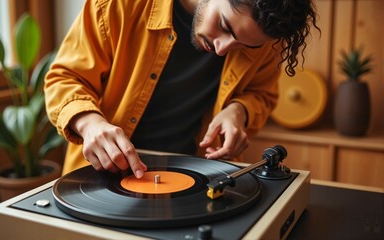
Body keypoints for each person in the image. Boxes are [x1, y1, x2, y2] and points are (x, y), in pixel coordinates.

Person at [45, 0, 319, 177]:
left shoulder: (265, 36)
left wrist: (239, 110)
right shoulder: (118, 4)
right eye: (224, 26)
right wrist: (90, 123)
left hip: (200, 178)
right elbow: (65, 78)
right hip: (101, 176)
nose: (223, 49)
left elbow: (262, 94)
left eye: (245, 46)